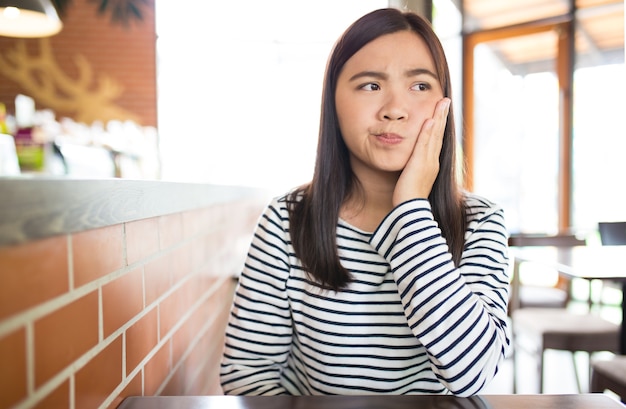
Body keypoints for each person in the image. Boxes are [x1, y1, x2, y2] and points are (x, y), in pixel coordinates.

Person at [220, 7, 510, 396]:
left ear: (444, 103)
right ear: (333, 103)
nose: (394, 108)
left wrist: (410, 209)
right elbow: (247, 375)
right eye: (370, 86)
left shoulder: (480, 221)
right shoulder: (287, 220)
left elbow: (473, 374)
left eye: (420, 86)